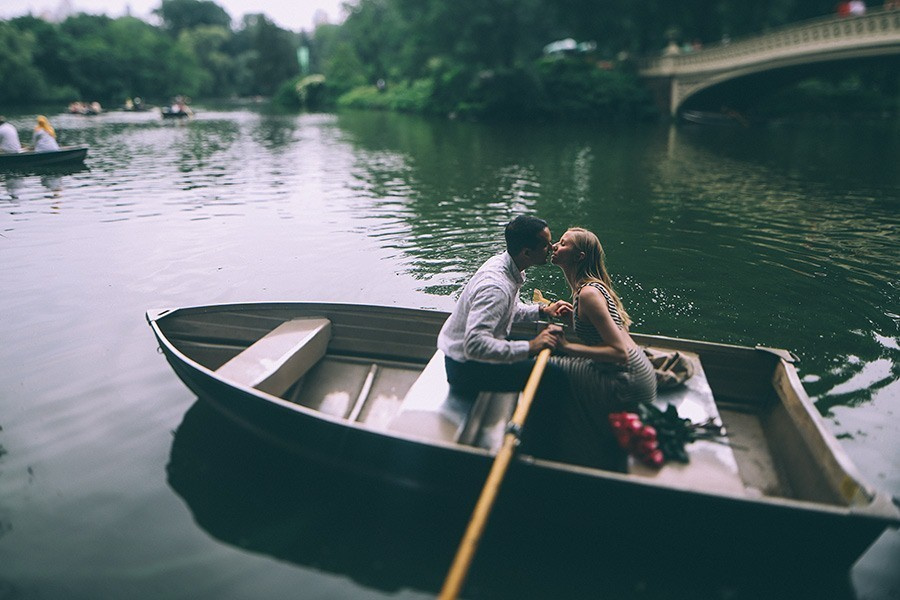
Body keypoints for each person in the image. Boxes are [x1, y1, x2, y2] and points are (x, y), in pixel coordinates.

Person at [437, 215, 573, 454]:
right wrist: (531, 347)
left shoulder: (508, 265)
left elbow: (508, 310)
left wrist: (542, 310)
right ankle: (538, 449)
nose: (552, 248)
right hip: (465, 368)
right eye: (545, 244)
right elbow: (475, 346)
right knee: (554, 376)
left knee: (548, 355)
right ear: (526, 253)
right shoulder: (496, 286)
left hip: (473, 354)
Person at [548, 227, 657, 469]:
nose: (555, 246)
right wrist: (573, 322)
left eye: (563, 244)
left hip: (628, 383)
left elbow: (619, 353)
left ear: (579, 257)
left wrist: (567, 347)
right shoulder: (588, 288)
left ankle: (559, 446)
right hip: (634, 374)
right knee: (551, 364)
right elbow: (604, 334)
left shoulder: (588, 294)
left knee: (547, 369)